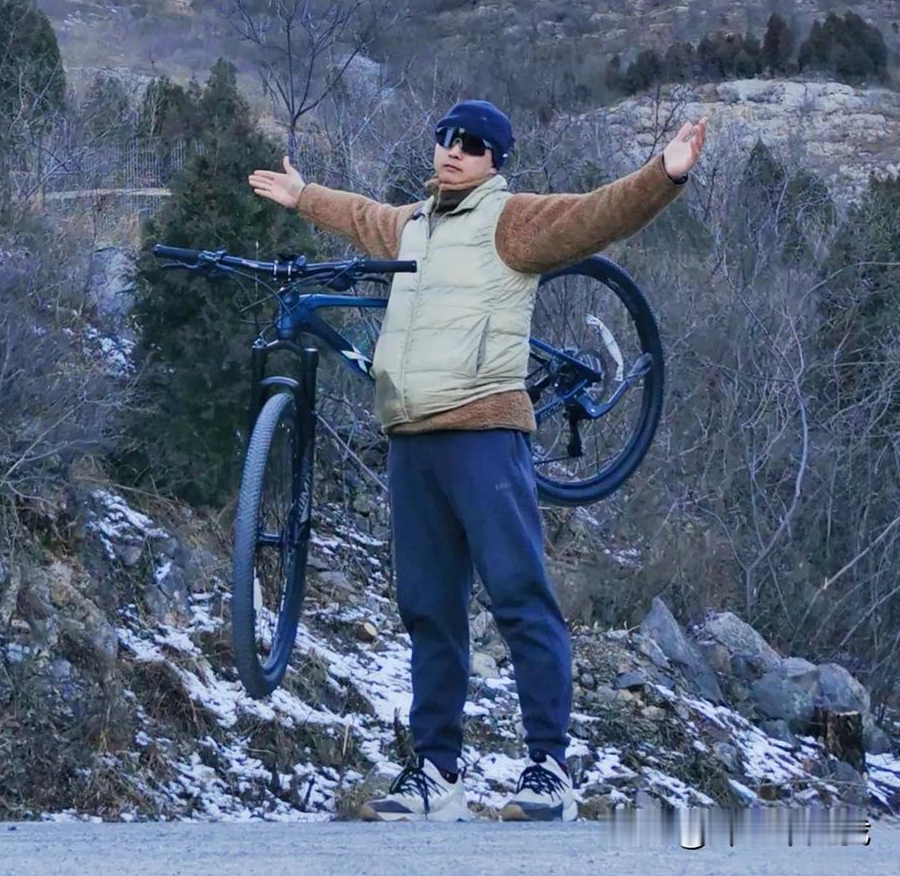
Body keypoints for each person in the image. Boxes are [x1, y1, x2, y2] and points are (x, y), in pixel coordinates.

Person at [248, 100, 705, 823]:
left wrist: (664, 175)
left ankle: (549, 767)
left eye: (472, 144)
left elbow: (597, 215)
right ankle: (436, 773)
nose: (453, 151)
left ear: (495, 159)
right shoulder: (413, 225)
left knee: (519, 596)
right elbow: (362, 215)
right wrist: (304, 196)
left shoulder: (511, 221)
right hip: (410, 438)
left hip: (485, 434)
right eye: (446, 139)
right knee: (428, 609)